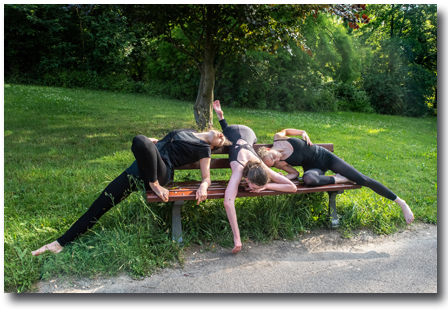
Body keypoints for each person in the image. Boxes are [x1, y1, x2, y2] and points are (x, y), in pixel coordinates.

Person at [31, 128, 231, 256]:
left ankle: (153, 184)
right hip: (141, 168)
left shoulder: (204, 149)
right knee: (101, 204)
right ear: (212, 128)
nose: (222, 137)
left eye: (222, 142)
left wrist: (204, 186)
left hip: (161, 174)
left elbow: (206, 177)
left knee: (141, 140)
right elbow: (162, 143)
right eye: (222, 134)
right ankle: (59, 243)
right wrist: (156, 143)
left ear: (214, 147)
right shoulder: (188, 131)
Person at [257, 128, 414, 224]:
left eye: (273, 158)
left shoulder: (278, 137)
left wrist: (302, 132)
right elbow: (295, 174)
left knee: (362, 179)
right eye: (274, 163)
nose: (277, 161)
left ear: (270, 151)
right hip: (313, 168)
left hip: (325, 157)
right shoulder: (279, 163)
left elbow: (288, 130)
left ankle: (401, 203)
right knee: (308, 179)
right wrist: (278, 176)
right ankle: (338, 178)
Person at [213, 100, 297, 254]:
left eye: (255, 188)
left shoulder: (261, 166)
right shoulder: (239, 170)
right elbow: (228, 202)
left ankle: (221, 116)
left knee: (232, 138)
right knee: (228, 137)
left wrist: (267, 185)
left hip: (249, 134)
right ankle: (221, 117)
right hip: (239, 131)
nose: (253, 190)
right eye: (254, 186)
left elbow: (292, 187)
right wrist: (237, 238)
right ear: (247, 179)